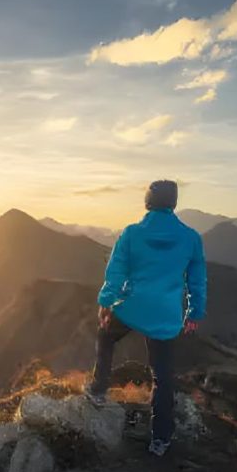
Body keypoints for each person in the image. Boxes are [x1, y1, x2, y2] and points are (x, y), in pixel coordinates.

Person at [85, 179, 207, 457]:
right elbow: (197, 280)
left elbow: (116, 270)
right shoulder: (190, 238)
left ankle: (98, 389)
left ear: (147, 201)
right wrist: (194, 312)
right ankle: (160, 439)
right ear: (173, 203)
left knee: (105, 337)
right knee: (163, 377)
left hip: (132, 307)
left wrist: (106, 302)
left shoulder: (131, 233)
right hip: (165, 315)